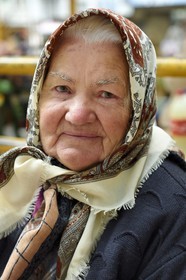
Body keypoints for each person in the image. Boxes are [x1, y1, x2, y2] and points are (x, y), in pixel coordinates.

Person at [0, 8, 186, 280]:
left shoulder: (174, 207)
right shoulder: (24, 176)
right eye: (62, 89)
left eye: (106, 94)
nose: (77, 115)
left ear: (138, 109)